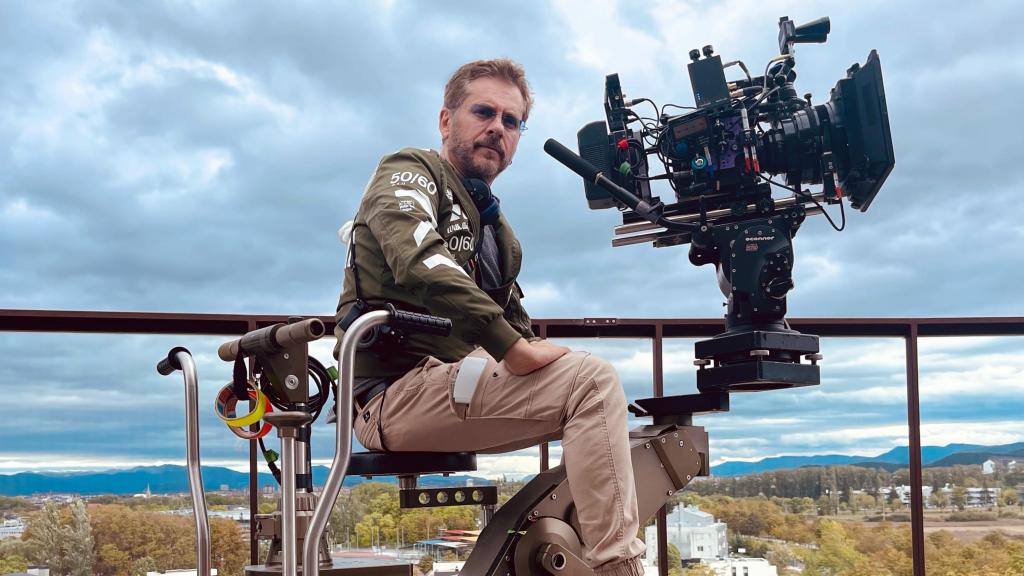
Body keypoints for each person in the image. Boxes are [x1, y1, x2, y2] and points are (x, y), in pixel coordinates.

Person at [334, 58, 645, 576]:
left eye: (512, 120)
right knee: (591, 384)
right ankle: (620, 569)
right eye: (483, 111)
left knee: (592, 384)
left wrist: (538, 354)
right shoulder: (410, 171)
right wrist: (515, 350)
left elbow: (515, 321)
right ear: (445, 120)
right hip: (391, 395)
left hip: (452, 382)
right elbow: (418, 259)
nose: (497, 127)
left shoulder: (497, 232)